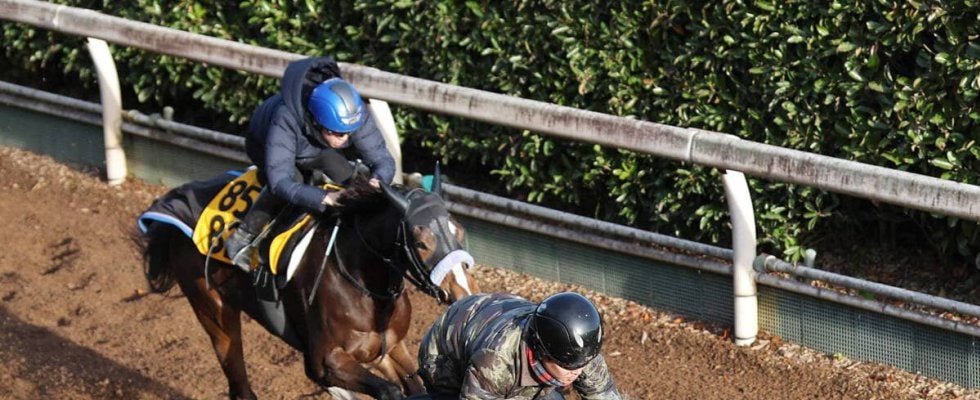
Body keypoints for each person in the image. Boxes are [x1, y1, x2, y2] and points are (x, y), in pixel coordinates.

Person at [224, 56, 395, 270]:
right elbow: (281, 182)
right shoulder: (285, 118)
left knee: (352, 181)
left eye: (350, 133)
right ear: (316, 121)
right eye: (338, 133)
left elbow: (382, 159)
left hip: (317, 146)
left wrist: (378, 180)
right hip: (265, 142)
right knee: (297, 181)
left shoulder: (353, 113)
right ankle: (242, 238)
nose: (346, 140)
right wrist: (325, 198)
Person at [416, 291, 622, 399]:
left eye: (582, 364)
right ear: (542, 352)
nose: (577, 372)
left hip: (494, 315)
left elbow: (603, 393)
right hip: (446, 352)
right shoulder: (496, 360)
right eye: (567, 366)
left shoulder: (580, 351)